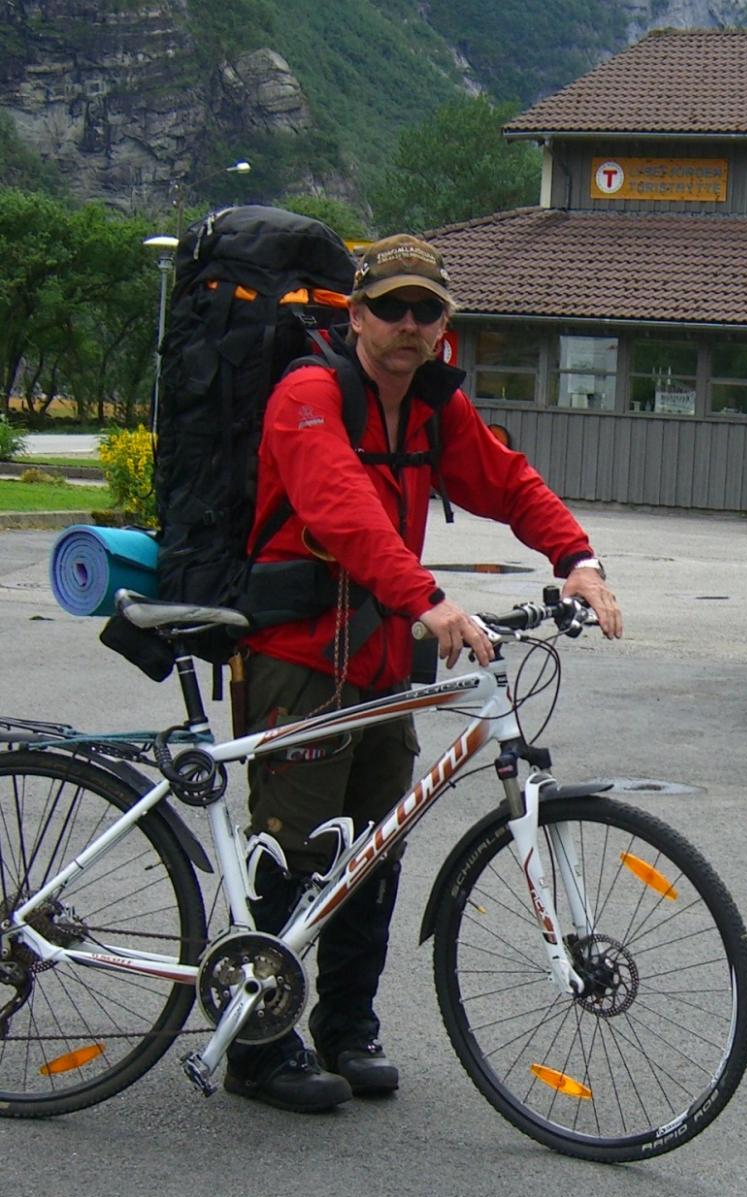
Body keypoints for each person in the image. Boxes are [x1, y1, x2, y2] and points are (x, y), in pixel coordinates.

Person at [224, 234, 623, 1113]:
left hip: (380, 661)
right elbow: (340, 507)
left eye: (426, 310)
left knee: (375, 846)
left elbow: (508, 482)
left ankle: (347, 1026)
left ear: (445, 324)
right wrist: (429, 600)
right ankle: (257, 1042)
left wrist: (578, 559)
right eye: (391, 307)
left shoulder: (435, 407)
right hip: (301, 658)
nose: (408, 324)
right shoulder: (309, 394)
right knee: (295, 846)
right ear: (357, 315)